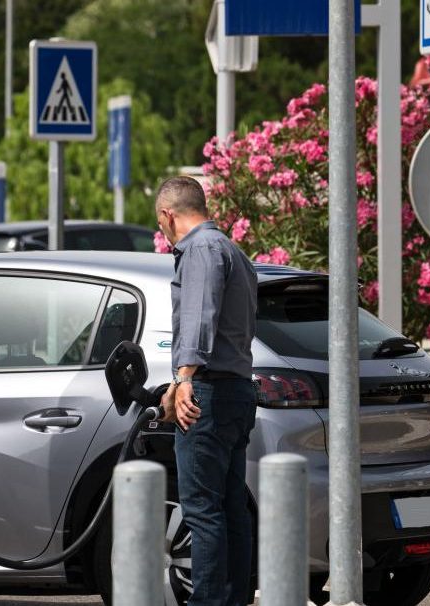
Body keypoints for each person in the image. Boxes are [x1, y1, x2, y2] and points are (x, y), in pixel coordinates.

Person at [155, 176, 258, 606]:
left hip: (208, 395)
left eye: (160, 224)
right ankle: (233, 600)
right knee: (232, 506)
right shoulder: (233, 250)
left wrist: (183, 379)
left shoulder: (198, 250)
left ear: (168, 216)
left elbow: (199, 318)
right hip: (236, 391)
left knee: (202, 511)